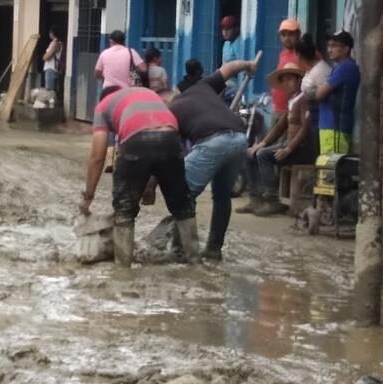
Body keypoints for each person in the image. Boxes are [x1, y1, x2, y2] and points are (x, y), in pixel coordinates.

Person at [78, 85, 199, 267]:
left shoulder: (103, 106)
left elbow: (97, 156)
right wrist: (150, 185)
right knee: (182, 204)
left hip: (135, 140)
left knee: (124, 208)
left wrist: (88, 196)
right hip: (171, 138)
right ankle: (196, 263)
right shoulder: (148, 93)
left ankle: (123, 269)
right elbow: (157, 137)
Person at [168, 57, 257, 260]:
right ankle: (214, 250)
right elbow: (230, 67)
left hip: (212, 141)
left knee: (184, 196)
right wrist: (248, 65)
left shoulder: (171, 110)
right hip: (240, 138)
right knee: (222, 196)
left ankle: (180, 251)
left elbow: (174, 153)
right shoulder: (205, 86)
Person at [242, 61, 315, 216]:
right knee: (250, 153)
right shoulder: (292, 100)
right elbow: (279, 127)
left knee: (264, 155)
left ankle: (272, 199)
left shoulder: (304, 100)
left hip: (300, 148)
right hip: (287, 144)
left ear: (298, 80)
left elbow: (305, 128)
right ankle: (255, 198)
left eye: (290, 79)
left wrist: (289, 148)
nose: (287, 83)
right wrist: (261, 143)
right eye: (285, 80)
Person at [314, 30, 360, 155]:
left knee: (331, 169)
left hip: (335, 127)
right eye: (328, 46)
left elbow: (320, 93)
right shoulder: (339, 67)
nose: (329, 49)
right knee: (327, 168)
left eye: (334, 46)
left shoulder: (346, 67)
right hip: (329, 127)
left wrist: (319, 89)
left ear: (346, 49)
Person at [298, 33, 331, 140]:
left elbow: (325, 94)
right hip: (312, 117)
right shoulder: (310, 70)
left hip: (321, 117)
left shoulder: (320, 71)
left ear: (299, 55)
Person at [270, 18, 303, 126]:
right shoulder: (283, 54)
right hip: (278, 108)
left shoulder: (303, 54)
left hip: (292, 111)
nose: (287, 38)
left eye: (291, 34)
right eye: (283, 35)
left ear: (298, 35)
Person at [42, 27, 63, 93]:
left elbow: (47, 57)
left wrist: (44, 56)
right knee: (53, 91)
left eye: (50, 32)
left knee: (49, 92)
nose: (49, 34)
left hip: (51, 69)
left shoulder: (55, 43)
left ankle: (51, 103)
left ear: (53, 33)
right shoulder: (58, 43)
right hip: (54, 68)